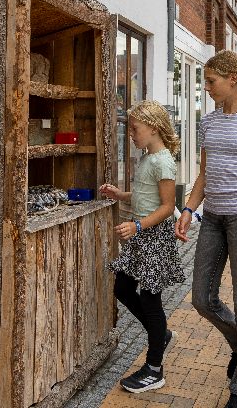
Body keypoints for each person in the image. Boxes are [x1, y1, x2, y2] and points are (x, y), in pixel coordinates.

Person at [175, 50, 237, 408]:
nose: (206, 88)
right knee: (202, 299)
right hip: (213, 219)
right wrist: (189, 209)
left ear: (233, 78)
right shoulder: (209, 122)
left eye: (211, 81)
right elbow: (204, 173)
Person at [100, 100, 184, 394]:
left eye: (135, 129)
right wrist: (120, 195)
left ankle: (155, 368)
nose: (132, 135)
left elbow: (167, 206)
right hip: (142, 237)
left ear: (153, 128)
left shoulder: (163, 162)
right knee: (123, 289)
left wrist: (137, 226)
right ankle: (160, 334)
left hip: (154, 237)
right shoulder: (148, 158)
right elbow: (144, 195)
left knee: (150, 301)